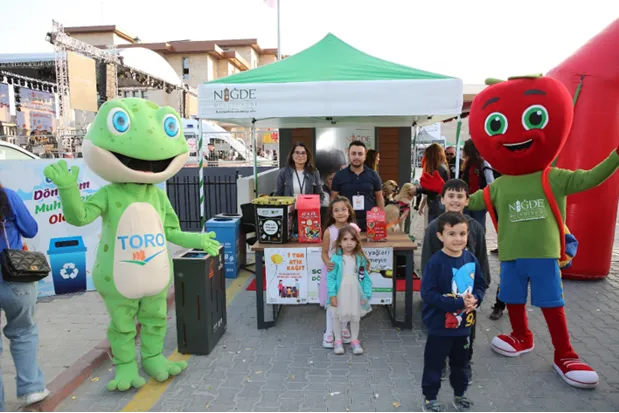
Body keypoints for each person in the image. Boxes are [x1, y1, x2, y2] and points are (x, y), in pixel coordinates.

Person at [421, 179, 491, 384]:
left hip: (467, 299)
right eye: (450, 196)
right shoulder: (434, 228)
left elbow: (482, 263)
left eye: (460, 196)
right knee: (439, 334)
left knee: (465, 336)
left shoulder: (475, 228)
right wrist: (432, 294)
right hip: (442, 298)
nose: (455, 200)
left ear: (467, 200)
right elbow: (427, 263)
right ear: (442, 199)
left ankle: (463, 364)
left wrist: (477, 296)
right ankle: (439, 364)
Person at [420, 212, 486, 412]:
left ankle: (460, 394)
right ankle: (430, 398)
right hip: (440, 327)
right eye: (452, 234)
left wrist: (476, 299)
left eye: (462, 234)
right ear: (441, 236)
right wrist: (457, 303)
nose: (458, 239)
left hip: (464, 326)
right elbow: (428, 294)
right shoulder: (435, 262)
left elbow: (480, 285)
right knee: (434, 363)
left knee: (461, 364)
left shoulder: (471, 258)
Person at [0, 184, 49, 411]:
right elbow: (30, 229)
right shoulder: (6, 194)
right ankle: (32, 389)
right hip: (13, 276)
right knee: (23, 331)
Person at [320, 196, 360, 348]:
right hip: (334, 274)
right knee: (333, 302)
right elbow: (324, 252)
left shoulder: (354, 229)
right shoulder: (329, 232)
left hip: (349, 273)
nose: (340, 213)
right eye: (336, 210)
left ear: (349, 211)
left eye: (343, 209)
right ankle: (329, 332)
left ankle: (343, 328)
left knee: (348, 300)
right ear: (331, 213)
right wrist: (327, 262)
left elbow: (359, 250)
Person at [327, 225, 372, 355]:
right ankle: (338, 340)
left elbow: (364, 277)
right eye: (345, 239)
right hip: (340, 292)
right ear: (339, 242)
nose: (349, 243)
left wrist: (366, 293)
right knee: (336, 315)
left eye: (352, 239)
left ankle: (354, 340)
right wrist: (332, 295)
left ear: (357, 242)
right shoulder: (335, 259)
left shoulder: (360, 258)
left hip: (355, 292)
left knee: (355, 316)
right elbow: (330, 278)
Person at [331, 140, 384, 231]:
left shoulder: (373, 175)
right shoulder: (339, 176)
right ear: (348, 154)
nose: (356, 157)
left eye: (360, 154)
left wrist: (381, 220)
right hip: (346, 222)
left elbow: (379, 198)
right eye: (353, 153)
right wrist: (334, 220)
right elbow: (333, 199)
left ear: (365, 155)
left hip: (370, 222)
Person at [461, 139, 494, 232]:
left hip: (479, 201)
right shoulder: (467, 164)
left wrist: (486, 200)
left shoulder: (483, 163)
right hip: (466, 201)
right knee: (466, 227)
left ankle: (479, 246)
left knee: (478, 227)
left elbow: (490, 182)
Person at [417, 144, 450, 224]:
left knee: (434, 228)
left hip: (436, 202)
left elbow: (432, 188)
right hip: (439, 201)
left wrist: (417, 190)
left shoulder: (438, 170)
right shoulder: (442, 167)